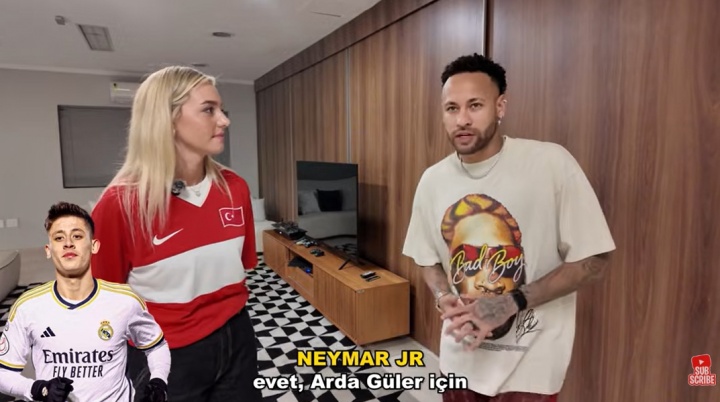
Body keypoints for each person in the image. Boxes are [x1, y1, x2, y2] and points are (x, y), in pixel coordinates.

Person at [402, 53, 616, 402]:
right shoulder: (432, 181)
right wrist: (443, 297)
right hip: (459, 363)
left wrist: (511, 302)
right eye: (452, 108)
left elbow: (595, 260)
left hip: (530, 370)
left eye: (475, 105)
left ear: (500, 106)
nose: (462, 119)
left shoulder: (550, 164)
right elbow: (426, 259)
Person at [89, 66, 261, 402]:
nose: (224, 120)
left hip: (237, 336)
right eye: (209, 110)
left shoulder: (236, 188)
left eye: (221, 109)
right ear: (167, 120)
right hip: (165, 353)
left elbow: (241, 267)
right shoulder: (120, 204)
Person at [0, 202, 170, 402]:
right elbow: (3, 373)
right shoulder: (28, 306)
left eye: (77, 236)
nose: (68, 243)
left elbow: (156, 346)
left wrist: (159, 381)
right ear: (48, 250)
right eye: (59, 238)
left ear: (94, 246)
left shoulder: (126, 301)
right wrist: (40, 389)